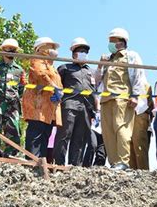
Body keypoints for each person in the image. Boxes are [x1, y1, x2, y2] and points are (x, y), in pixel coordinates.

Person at [95, 28, 145, 170]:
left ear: (121, 42)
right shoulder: (108, 60)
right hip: (105, 100)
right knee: (108, 132)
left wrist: (135, 96)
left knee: (122, 128)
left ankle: (123, 162)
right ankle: (114, 163)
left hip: (122, 99)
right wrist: (100, 66)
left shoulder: (131, 56)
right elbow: (96, 81)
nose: (110, 44)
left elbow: (137, 76)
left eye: (112, 41)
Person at [53, 37, 98, 166]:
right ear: (73, 53)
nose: (83, 53)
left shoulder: (91, 71)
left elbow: (95, 91)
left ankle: (75, 166)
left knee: (80, 138)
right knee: (64, 135)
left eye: (85, 51)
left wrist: (95, 110)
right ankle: (59, 164)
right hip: (69, 105)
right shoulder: (64, 68)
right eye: (80, 50)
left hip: (86, 108)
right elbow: (55, 85)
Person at [0, 38, 26, 157]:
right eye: (8, 48)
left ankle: (10, 155)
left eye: (13, 49)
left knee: (14, 129)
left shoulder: (19, 70)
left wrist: (15, 97)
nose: (11, 51)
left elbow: (21, 88)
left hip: (12, 103)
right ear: (3, 50)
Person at [22, 37, 63, 158]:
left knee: (45, 135)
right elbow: (40, 75)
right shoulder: (37, 59)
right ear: (41, 47)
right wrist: (54, 87)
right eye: (50, 46)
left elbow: (58, 84)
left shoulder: (51, 67)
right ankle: (32, 160)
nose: (53, 50)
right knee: (36, 133)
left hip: (49, 109)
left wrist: (60, 92)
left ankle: (41, 162)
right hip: (37, 106)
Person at [130, 84, 154, 170]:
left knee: (140, 150)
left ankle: (143, 174)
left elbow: (149, 106)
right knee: (130, 149)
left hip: (141, 118)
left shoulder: (145, 85)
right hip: (133, 117)